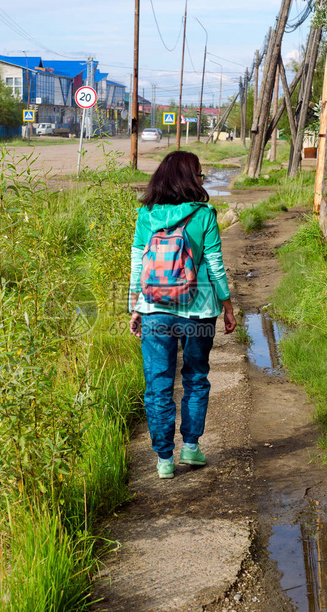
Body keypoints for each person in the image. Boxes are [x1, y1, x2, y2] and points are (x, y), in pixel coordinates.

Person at [129, 151, 236, 479]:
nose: (203, 180)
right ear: (190, 178)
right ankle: (190, 446)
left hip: (154, 310)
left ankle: (164, 459)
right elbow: (215, 265)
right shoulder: (204, 214)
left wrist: (135, 306)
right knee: (194, 377)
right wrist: (227, 305)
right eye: (200, 174)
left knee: (158, 382)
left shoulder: (146, 214)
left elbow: (137, 263)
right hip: (199, 312)